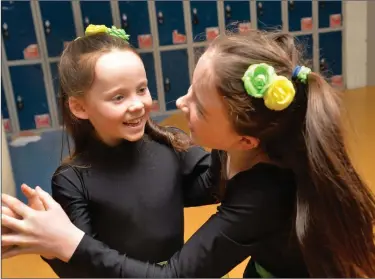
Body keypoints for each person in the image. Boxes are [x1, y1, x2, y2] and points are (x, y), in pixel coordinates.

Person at [3, 29, 375, 278]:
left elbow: (177, 274)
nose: (179, 103)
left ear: (245, 140)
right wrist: (48, 237)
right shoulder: (250, 146)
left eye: (199, 104)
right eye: (190, 89)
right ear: (79, 107)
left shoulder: (263, 193)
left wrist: (64, 242)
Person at [1, 24, 223, 277]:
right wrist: (50, 246)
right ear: (79, 107)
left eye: (142, 89)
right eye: (119, 97)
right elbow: (82, 264)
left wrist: (226, 130)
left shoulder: (170, 143)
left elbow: (214, 187)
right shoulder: (72, 179)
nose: (137, 105)